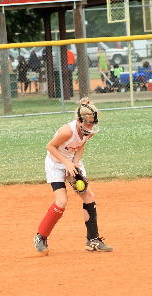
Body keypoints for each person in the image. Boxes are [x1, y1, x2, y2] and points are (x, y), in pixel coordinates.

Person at [34, 98, 113, 255]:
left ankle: (93, 240)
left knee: (88, 196)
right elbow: (50, 147)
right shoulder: (67, 131)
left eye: (92, 123)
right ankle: (40, 237)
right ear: (79, 120)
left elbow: (81, 145)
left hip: (71, 161)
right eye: (87, 124)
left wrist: (75, 163)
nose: (90, 127)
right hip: (56, 163)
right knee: (61, 201)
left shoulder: (89, 132)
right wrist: (66, 164)